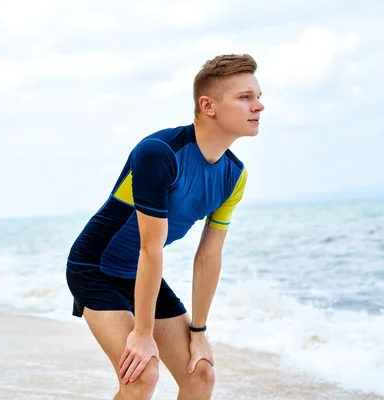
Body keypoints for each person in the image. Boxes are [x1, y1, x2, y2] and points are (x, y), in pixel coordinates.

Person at [65, 53, 264, 400]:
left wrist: (199, 331)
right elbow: (149, 247)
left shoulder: (234, 175)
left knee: (200, 374)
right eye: (245, 97)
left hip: (139, 273)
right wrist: (142, 333)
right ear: (208, 105)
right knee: (142, 375)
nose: (259, 106)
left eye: (258, 96)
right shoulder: (160, 154)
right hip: (94, 267)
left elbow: (208, 255)